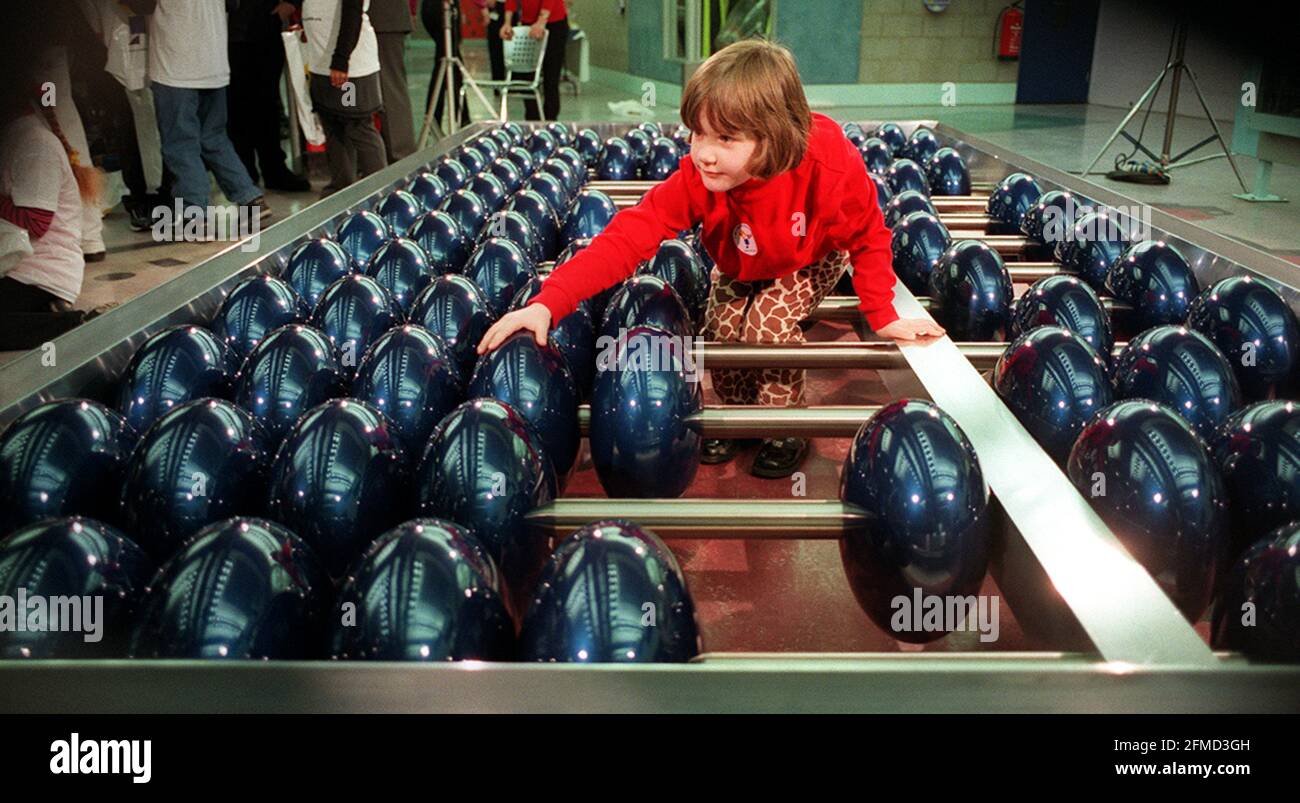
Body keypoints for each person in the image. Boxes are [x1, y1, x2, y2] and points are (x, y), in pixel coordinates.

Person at [476, 39, 945, 478]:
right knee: (721, 327)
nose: (704, 154)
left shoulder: (829, 165)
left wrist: (881, 313)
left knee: (766, 324)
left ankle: (782, 426)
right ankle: (741, 418)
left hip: (811, 255)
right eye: (696, 134)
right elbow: (629, 236)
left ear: (775, 135)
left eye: (725, 138)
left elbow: (869, 234)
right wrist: (547, 302)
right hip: (743, 258)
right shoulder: (701, 177)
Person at [128, 0, 271, 228]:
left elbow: (141, 5)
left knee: (180, 143)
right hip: (214, 62)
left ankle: (194, 214)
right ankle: (249, 197)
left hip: (176, 65)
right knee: (214, 137)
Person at [0, 66, 107, 349]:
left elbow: (35, 221)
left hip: (39, 276)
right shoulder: (15, 136)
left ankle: (69, 325)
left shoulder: (34, 143)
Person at [301, 0, 387, 196]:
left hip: (349, 68)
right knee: (333, 126)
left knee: (358, 127)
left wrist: (341, 60)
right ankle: (342, 189)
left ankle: (381, 190)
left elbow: (352, 14)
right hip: (320, 63)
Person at [227, 0, 311, 192]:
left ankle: (274, 170)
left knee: (267, 106)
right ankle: (245, 174)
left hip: (265, 27)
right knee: (237, 110)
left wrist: (291, 3)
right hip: (229, 34)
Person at [500, 0, 567, 121]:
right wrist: (507, 22)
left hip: (554, 21)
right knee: (526, 75)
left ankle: (550, 119)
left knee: (551, 77)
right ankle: (532, 119)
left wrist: (542, 21)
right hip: (528, 22)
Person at [369, 0, 417, 162]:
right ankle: (360, 158)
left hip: (382, 18)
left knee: (390, 90)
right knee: (351, 87)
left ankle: (401, 159)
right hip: (353, 21)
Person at [421, 0, 469, 129]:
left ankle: (436, 117)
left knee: (448, 65)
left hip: (446, 10)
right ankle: (456, 117)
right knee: (446, 65)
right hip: (439, 9)